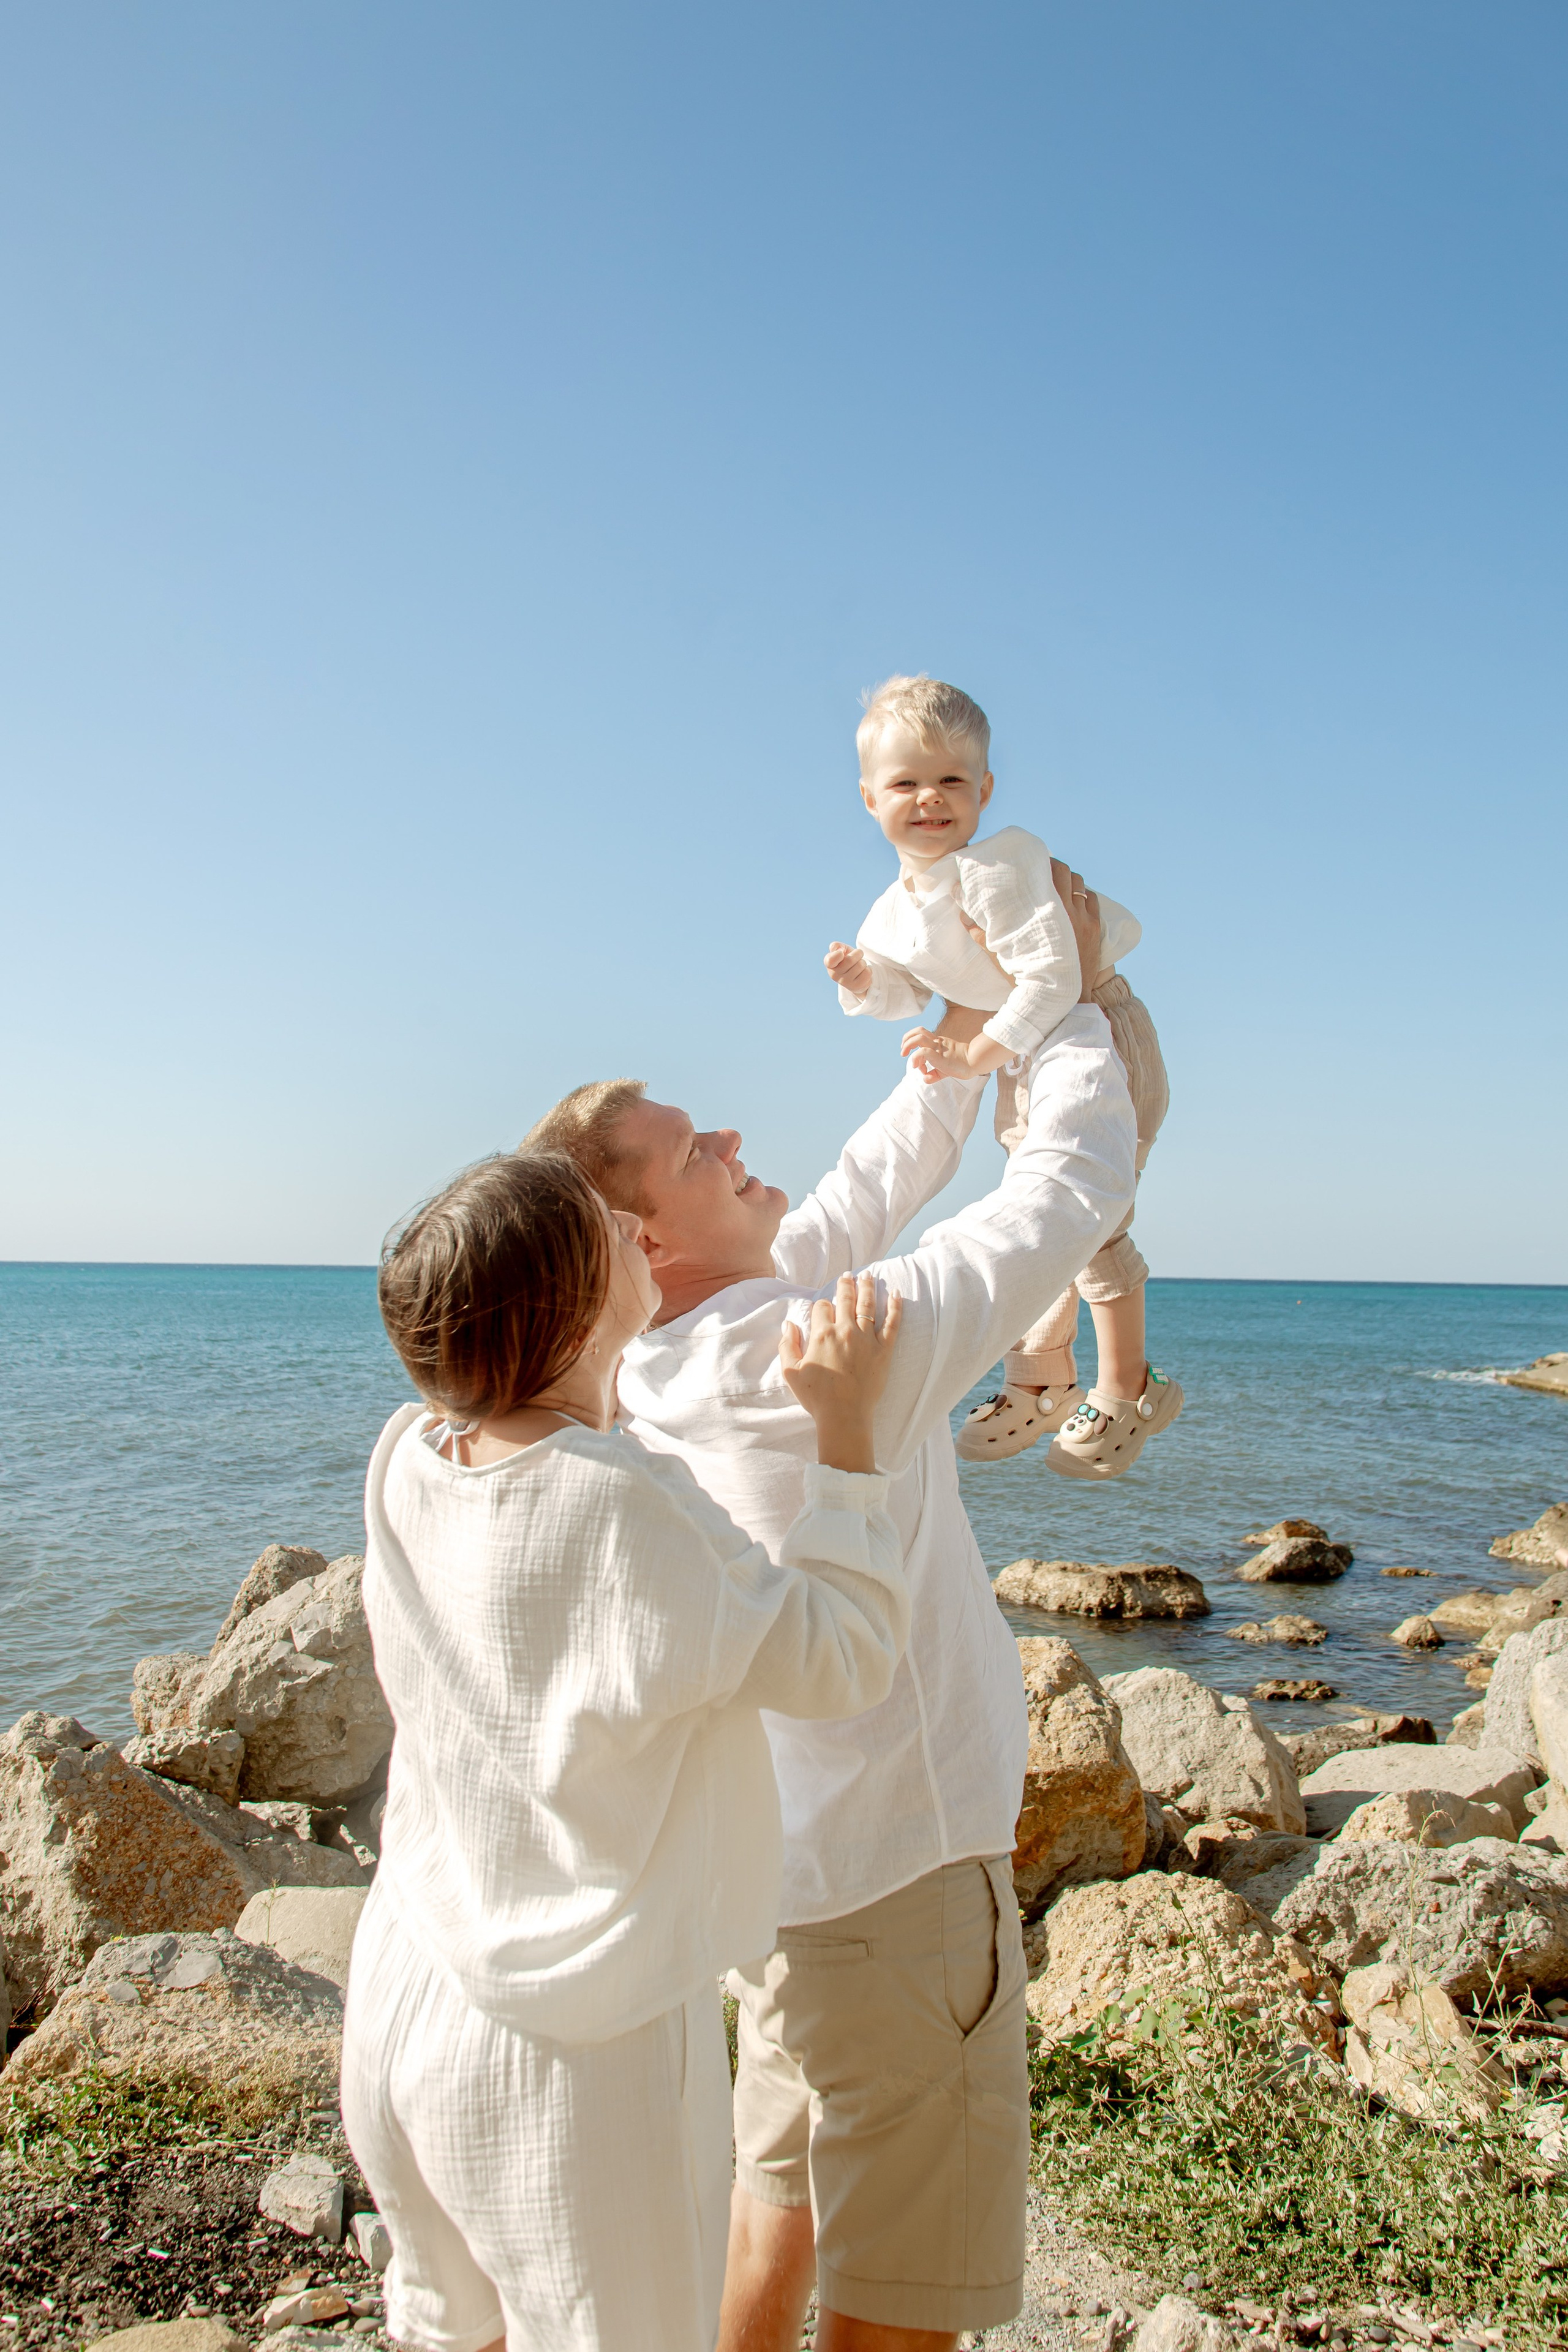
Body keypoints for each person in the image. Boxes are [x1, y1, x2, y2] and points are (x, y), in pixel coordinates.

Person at [522, 865, 1136, 2352]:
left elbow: (862, 1190)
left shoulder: (666, 1358)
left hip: (780, 1890)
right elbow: (1065, 1192)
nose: (732, 1138)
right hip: (904, 1890)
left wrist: (957, 1038)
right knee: (904, 2291)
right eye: (690, 1150)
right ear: (647, 1242)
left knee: (778, 2198)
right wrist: (1072, 1007)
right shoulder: (819, 1347)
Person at [339, 1148, 910, 2352]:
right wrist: (845, 1439)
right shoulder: (622, 1506)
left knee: (454, 2332)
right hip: (564, 2043)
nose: (633, 1230)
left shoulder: (403, 1458)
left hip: (406, 1989)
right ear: (564, 1303)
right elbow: (841, 1657)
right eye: (605, 1225)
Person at [826, 672, 1180, 1480]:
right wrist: (864, 984)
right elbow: (905, 988)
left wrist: (974, 1056)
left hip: (1099, 1028)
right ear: (869, 797)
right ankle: (1046, 1375)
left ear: (984, 789)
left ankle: (1131, 1388)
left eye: (952, 780)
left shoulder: (1000, 866)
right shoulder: (894, 907)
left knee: (1089, 1209)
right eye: (906, 782)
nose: (930, 798)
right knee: (1038, 1203)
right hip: (1028, 1051)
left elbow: (1058, 980)